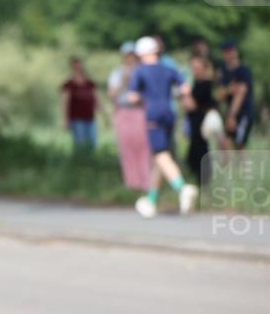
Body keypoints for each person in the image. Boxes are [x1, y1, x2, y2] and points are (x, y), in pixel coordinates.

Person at [127, 36, 199, 218]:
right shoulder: (169, 68)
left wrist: (140, 99)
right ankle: (151, 201)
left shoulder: (140, 71)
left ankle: (182, 188)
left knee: (160, 155)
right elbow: (185, 88)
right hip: (169, 114)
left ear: (142, 54)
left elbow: (132, 97)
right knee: (159, 157)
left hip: (153, 115)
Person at [108, 42, 151, 190]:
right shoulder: (117, 73)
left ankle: (146, 182)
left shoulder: (143, 72)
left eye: (133, 55)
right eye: (128, 56)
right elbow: (112, 95)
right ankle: (132, 183)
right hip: (123, 111)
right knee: (127, 148)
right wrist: (124, 82)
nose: (130, 58)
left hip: (140, 110)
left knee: (144, 146)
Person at [184, 56, 218, 183]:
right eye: (193, 68)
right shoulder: (196, 84)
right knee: (192, 157)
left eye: (197, 68)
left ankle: (205, 182)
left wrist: (186, 93)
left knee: (200, 153)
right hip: (194, 124)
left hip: (202, 124)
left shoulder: (206, 85)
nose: (195, 70)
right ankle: (200, 182)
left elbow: (191, 106)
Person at [219, 41, 256, 149]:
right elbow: (220, 95)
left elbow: (240, 93)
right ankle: (230, 166)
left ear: (236, 52)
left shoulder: (244, 71)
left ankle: (245, 166)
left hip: (244, 113)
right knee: (226, 144)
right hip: (231, 112)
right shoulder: (224, 72)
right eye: (226, 52)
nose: (229, 54)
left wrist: (232, 115)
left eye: (231, 51)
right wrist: (229, 89)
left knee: (240, 145)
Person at [60, 57, 99, 153]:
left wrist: (104, 114)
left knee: (93, 142)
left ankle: (91, 163)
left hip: (90, 117)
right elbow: (65, 103)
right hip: (76, 118)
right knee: (79, 143)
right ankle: (80, 162)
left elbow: (96, 99)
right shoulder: (69, 84)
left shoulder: (90, 83)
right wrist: (65, 119)